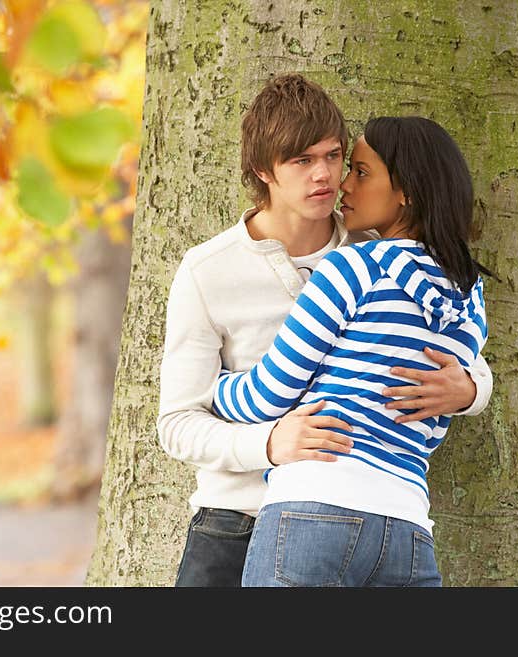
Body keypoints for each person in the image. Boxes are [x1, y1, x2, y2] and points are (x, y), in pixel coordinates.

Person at [157, 75, 493, 587]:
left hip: (346, 516)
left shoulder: (369, 249)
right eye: (302, 161)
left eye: (335, 157)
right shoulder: (207, 271)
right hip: (235, 519)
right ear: (261, 171)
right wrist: (270, 444)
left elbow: (448, 341)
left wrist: (470, 389)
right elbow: (178, 423)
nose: (326, 176)